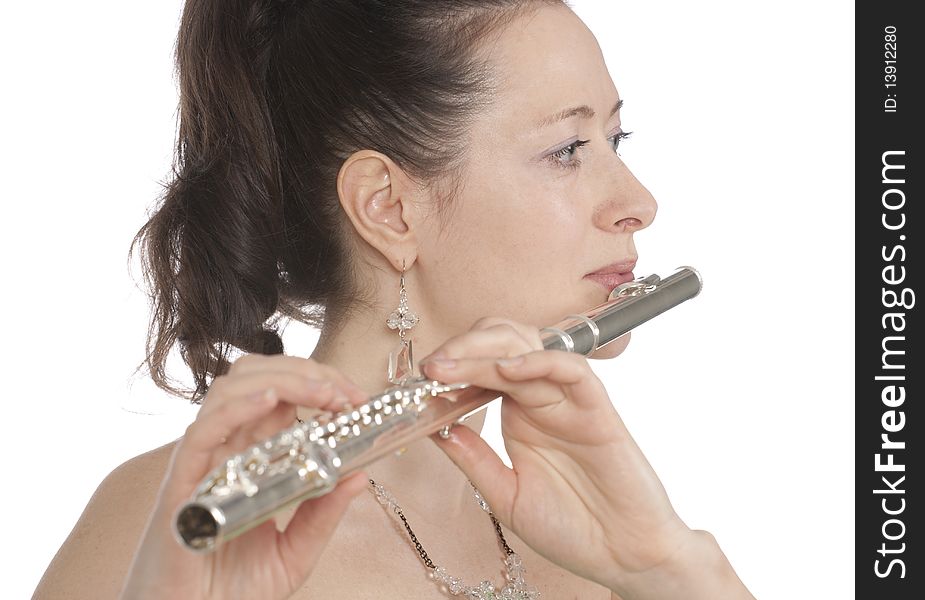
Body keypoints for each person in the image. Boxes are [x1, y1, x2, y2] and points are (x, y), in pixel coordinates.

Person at [34, 1, 756, 598]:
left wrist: (669, 568)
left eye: (615, 139)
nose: (638, 203)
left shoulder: (585, 525)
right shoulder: (175, 531)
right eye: (567, 149)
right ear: (388, 209)